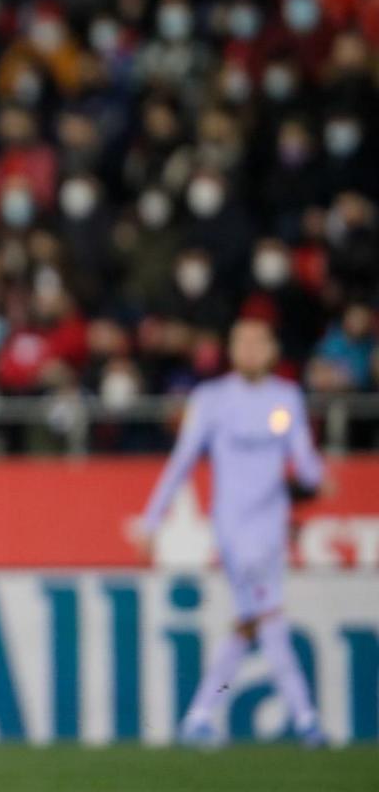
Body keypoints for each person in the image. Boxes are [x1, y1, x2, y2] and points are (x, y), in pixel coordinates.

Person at [132, 318, 329, 747]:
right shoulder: (212, 399)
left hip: (272, 525)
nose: (252, 349)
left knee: (250, 621)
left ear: (273, 349)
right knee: (269, 615)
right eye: (243, 342)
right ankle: (306, 718)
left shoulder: (286, 397)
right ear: (231, 349)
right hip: (233, 527)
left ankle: (199, 716)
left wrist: (317, 476)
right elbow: (182, 460)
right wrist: (152, 518)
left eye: (260, 341)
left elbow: (304, 459)